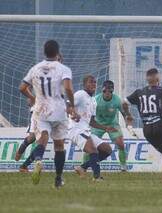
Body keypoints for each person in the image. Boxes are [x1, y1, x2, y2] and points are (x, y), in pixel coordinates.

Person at [19, 40, 76, 188]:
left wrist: (32, 98)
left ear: (44, 52)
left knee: (42, 139)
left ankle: (38, 159)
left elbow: (22, 87)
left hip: (41, 110)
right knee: (59, 146)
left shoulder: (35, 68)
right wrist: (72, 105)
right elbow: (68, 89)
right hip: (58, 110)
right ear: (58, 52)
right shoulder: (64, 68)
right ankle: (58, 179)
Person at [122, 68, 162, 182]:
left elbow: (123, 102)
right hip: (160, 125)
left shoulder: (139, 92)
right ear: (157, 78)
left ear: (147, 79)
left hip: (147, 129)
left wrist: (128, 115)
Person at [15, 53, 64, 173]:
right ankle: (25, 153)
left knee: (42, 139)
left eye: (58, 59)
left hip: (54, 114)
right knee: (35, 138)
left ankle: (25, 165)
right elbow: (25, 87)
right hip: (39, 112)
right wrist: (31, 98)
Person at [68, 75, 114, 181]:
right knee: (93, 150)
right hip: (75, 130)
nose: (93, 84)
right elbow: (68, 105)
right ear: (85, 84)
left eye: (94, 82)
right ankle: (97, 177)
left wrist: (105, 128)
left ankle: (82, 167)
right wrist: (73, 113)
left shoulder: (93, 100)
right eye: (91, 82)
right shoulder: (80, 94)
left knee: (107, 150)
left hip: (86, 130)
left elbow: (92, 121)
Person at [89, 80, 133, 171]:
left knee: (120, 144)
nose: (107, 93)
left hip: (112, 124)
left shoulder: (117, 100)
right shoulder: (95, 100)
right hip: (98, 125)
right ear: (102, 90)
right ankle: (84, 167)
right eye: (105, 91)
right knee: (90, 145)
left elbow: (124, 114)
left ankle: (123, 167)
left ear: (112, 91)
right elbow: (89, 116)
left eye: (110, 91)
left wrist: (128, 124)